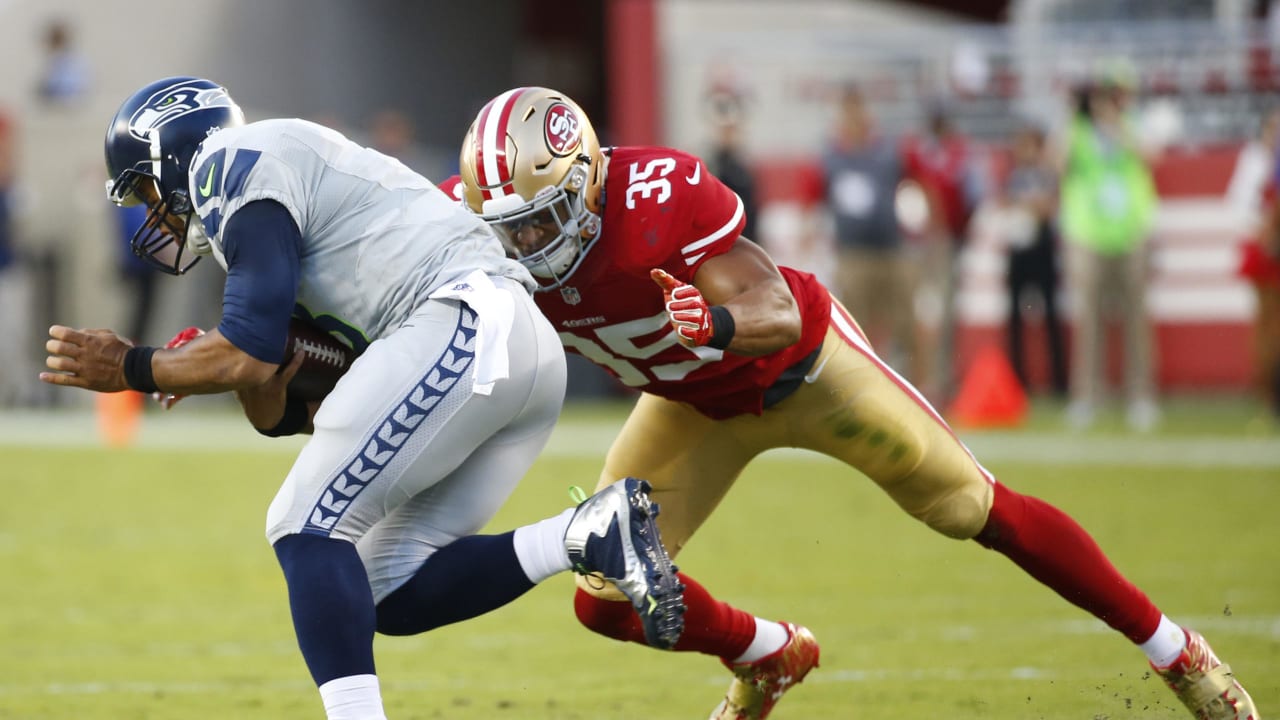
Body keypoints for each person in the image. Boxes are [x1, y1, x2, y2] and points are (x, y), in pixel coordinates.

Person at [447, 86, 1258, 720]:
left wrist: (718, 323)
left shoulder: (656, 199)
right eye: (508, 228)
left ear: (586, 181)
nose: (525, 246)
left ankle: (1176, 651)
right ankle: (767, 653)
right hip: (689, 404)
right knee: (604, 598)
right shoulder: (468, 227)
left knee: (973, 508)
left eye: (542, 221)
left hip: (805, 374)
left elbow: (779, 312)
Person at [39, 76, 685, 720]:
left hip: (465, 320)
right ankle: (584, 533)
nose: (154, 212)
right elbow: (283, 403)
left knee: (303, 523)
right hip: (512, 351)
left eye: (148, 189)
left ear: (176, 151)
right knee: (384, 587)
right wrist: (215, 367)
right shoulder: (282, 199)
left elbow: (249, 348)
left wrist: (133, 365)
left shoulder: (228, 164)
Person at [1057, 70, 1161, 432]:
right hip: (1088, 234)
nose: (1108, 105)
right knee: (1089, 320)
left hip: (1130, 233)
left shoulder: (1134, 126)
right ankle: (1086, 395)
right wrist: (1073, 117)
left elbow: (1152, 157)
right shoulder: (1079, 132)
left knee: (1136, 318)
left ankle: (1141, 396)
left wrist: (1120, 127)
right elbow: (1058, 165)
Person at [819, 84, 920, 383]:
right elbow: (816, 198)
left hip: (890, 249)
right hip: (853, 253)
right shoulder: (831, 157)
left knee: (903, 320)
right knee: (856, 324)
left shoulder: (886, 153)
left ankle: (910, 384)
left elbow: (914, 186)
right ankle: (860, 387)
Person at [994, 122, 1068, 397]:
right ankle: (1017, 381)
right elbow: (1004, 203)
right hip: (1018, 251)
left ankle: (1059, 382)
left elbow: (1050, 207)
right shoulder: (1013, 175)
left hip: (1041, 249)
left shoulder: (1046, 175)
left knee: (1051, 316)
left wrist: (1029, 205)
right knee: (1014, 317)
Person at [1228, 108, 1280, 424]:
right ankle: (1268, 394)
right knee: (1267, 327)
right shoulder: (1256, 161)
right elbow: (1239, 205)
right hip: (1265, 253)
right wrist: (1264, 230)